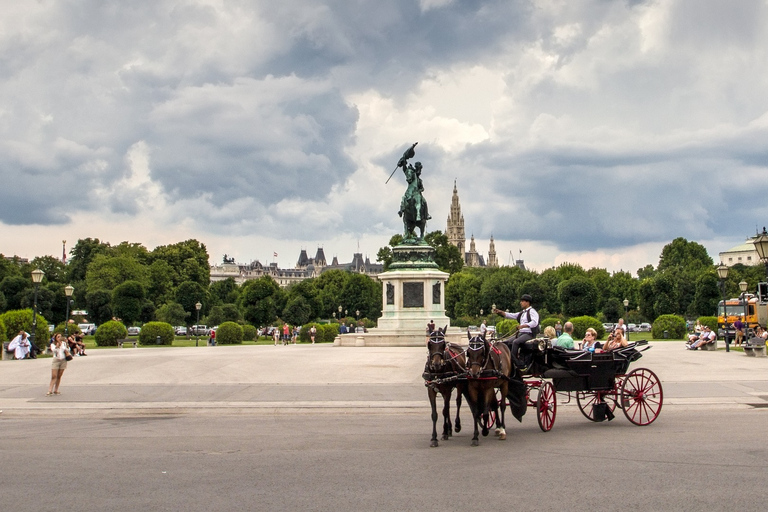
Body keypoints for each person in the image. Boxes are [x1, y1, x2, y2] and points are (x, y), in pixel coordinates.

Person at [493, 294, 539, 369]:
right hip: (521, 334)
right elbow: (512, 315)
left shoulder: (532, 311)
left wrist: (523, 326)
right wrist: (501, 312)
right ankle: (504, 359)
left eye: (522, 301)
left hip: (529, 334)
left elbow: (535, 322)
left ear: (528, 302)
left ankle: (515, 363)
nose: (520, 303)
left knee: (515, 342)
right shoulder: (522, 313)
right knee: (506, 342)